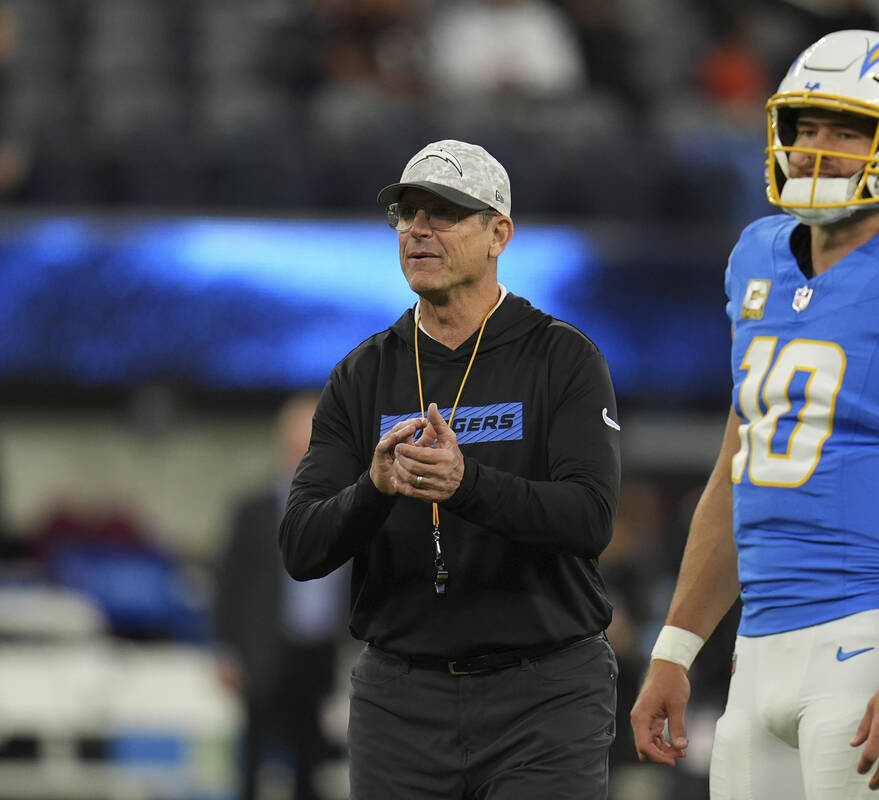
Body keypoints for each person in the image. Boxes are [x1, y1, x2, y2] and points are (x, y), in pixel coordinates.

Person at [630, 30, 879, 798]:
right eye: (805, 128)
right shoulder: (757, 255)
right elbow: (738, 472)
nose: (814, 148)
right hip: (757, 651)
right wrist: (677, 644)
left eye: (846, 130)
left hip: (873, 641)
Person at [278, 139, 622, 799]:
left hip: (544, 695)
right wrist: (374, 490)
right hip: (400, 700)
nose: (419, 230)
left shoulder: (563, 358)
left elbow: (590, 518)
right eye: (408, 214)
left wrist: (468, 486)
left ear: (500, 234)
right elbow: (301, 544)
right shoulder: (361, 374)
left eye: (445, 214)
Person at [213, 391, 349, 800]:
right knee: (254, 762)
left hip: (321, 650)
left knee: (311, 764)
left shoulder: (348, 504)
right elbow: (229, 581)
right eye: (301, 430)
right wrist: (225, 648)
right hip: (264, 650)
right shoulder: (251, 509)